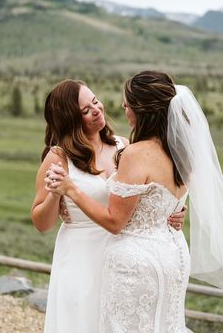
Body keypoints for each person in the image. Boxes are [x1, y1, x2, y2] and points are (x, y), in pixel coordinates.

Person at [45, 71, 223, 332]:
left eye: (127, 104)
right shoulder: (184, 151)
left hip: (137, 262)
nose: (121, 108)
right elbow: (163, 196)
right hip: (174, 255)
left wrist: (71, 189)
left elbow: (115, 221)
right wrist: (175, 210)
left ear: (141, 111)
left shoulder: (135, 153)